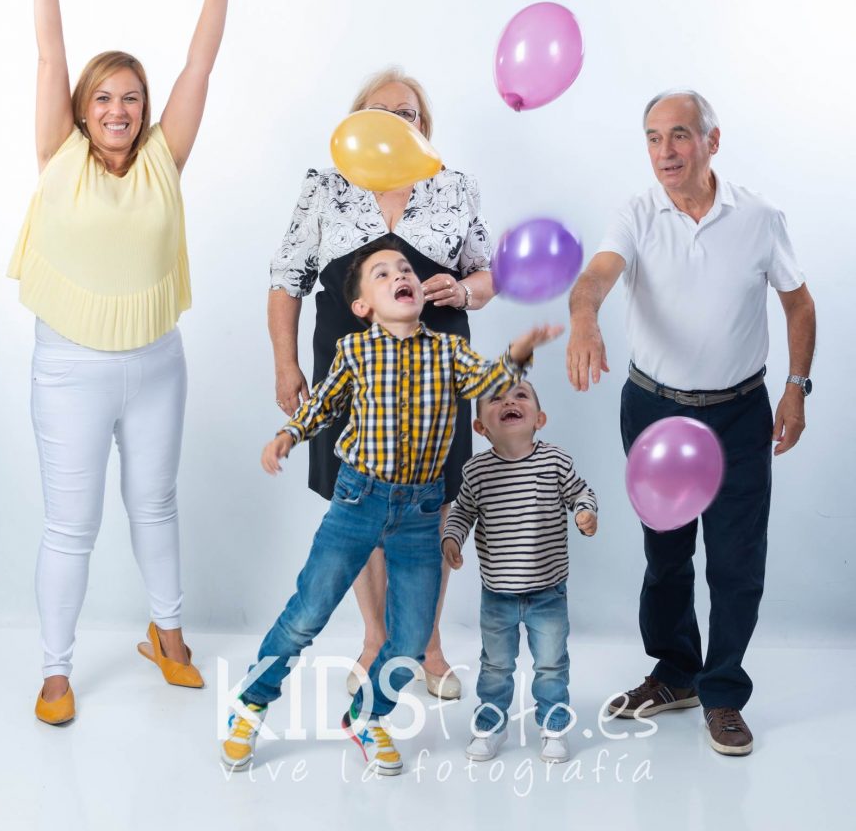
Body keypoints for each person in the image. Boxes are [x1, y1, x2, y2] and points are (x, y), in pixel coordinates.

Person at [9, 0, 243, 724]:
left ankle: (167, 635)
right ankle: (55, 668)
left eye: (131, 99)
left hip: (154, 364)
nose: (119, 110)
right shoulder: (58, 153)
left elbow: (198, 68)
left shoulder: (162, 162)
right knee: (71, 525)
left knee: (156, 502)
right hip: (69, 367)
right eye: (104, 98)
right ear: (82, 109)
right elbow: (47, 55)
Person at [220, 242, 563, 775]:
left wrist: (519, 352)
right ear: (363, 306)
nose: (400, 274)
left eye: (405, 269)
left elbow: (488, 381)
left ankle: (369, 715)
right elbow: (323, 405)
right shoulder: (355, 352)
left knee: (410, 636)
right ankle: (251, 703)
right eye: (382, 274)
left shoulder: (449, 351)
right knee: (307, 613)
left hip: (424, 513)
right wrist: (289, 434)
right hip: (358, 501)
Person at [565, 90, 815, 756]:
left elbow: (798, 305)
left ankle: (723, 691)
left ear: (711, 140)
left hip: (739, 411)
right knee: (667, 555)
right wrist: (584, 317)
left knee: (736, 561)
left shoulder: (760, 216)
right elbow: (594, 278)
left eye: (679, 135)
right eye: (652, 138)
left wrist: (795, 391)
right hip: (655, 409)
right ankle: (675, 672)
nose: (665, 151)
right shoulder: (637, 213)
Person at [268, 67, 495, 701]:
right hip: (351, 369)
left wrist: (465, 290)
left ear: (426, 126)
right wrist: (286, 366)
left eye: (410, 114)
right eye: (381, 112)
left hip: (436, 368)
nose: (398, 122)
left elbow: (487, 273)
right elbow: (287, 280)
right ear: (356, 122)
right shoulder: (326, 189)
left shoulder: (453, 189)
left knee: (433, 500)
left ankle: (426, 645)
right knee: (358, 497)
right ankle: (374, 639)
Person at [442, 381, 598, 764]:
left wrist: (584, 512)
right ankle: (492, 725)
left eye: (521, 395)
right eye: (496, 398)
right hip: (497, 593)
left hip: (548, 590)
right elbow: (462, 511)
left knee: (551, 663)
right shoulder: (477, 471)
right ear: (481, 427)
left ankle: (554, 725)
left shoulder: (555, 462)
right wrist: (451, 538)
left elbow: (580, 491)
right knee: (495, 666)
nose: (509, 401)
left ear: (539, 419)